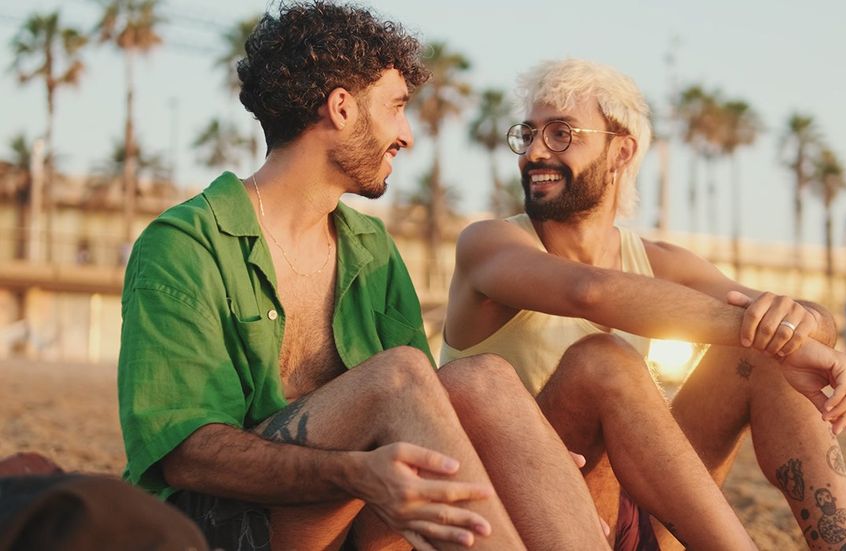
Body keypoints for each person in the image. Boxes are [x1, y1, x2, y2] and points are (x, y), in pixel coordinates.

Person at [117, 6, 608, 551]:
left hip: (357, 519)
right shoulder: (185, 244)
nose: (407, 135)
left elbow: (430, 413)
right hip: (225, 527)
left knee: (481, 380)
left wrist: (526, 460)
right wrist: (354, 472)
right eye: (397, 108)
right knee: (395, 376)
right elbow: (187, 453)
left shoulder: (371, 249)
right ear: (342, 108)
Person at [442, 59, 846, 550]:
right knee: (603, 361)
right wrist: (784, 337)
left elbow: (804, 320)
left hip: (639, 512)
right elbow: (590, 293)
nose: (535, 152)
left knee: (760, 350)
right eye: (528, 133)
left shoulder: (660, 261)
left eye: (561, 134)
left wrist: (805, 326)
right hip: (531, 516)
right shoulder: (491, 244)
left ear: (621, 151)